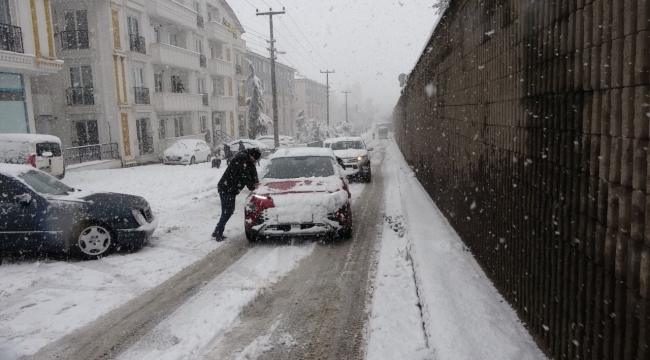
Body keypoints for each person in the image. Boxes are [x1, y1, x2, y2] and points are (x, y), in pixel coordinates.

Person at [212, 147, 262, 241]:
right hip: (226, 187)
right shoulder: (241, 158)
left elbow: (253, 171)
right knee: (227, 211)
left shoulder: (248, 159)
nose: (254, 161)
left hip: (231, 188)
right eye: (254, 159)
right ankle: (218, 233)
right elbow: (245, 175)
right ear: (251, 155)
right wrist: (252, 186)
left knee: (228, 211)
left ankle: (217, 231)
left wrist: (256, 181)